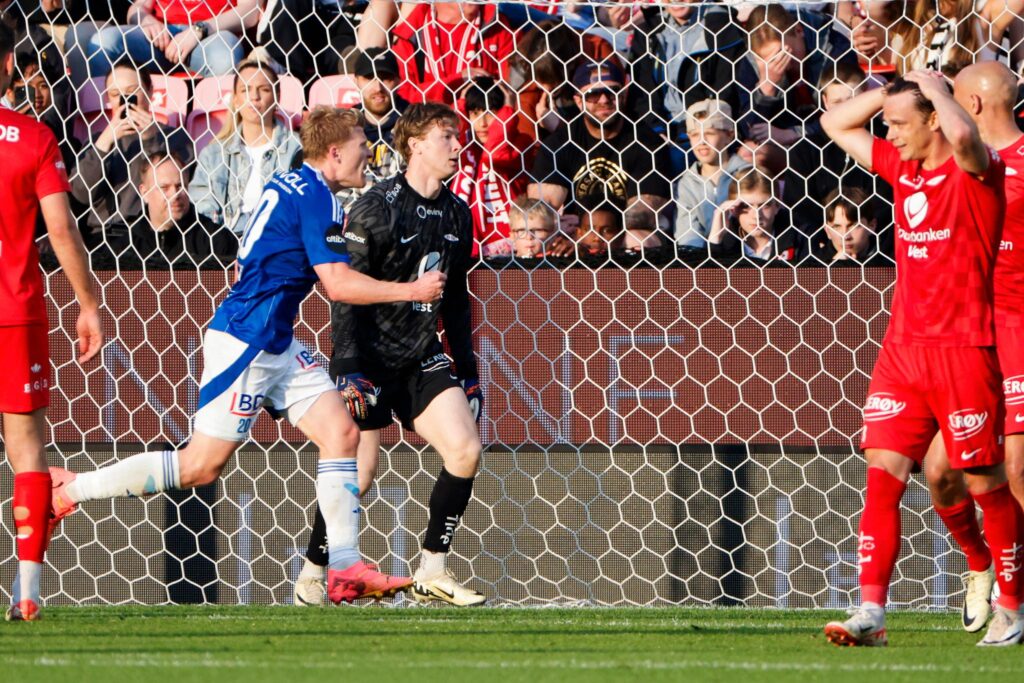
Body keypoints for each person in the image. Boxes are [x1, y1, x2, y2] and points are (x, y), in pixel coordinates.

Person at [47, 108, 447, 607]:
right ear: (336, 151)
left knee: (342, 432)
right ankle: (69, 490)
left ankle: (344, 568)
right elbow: (339, 285)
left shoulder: (297, 185)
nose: (370, 152)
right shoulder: (317, 198)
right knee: (199, 467)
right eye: (363, 144)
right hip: (248, 343)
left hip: (276, 339)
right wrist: (411, 289)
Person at [820, 71, 1024, 647]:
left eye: (900, 126)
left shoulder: (977, 173)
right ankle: (871, 613)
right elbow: (836, 122)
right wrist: (893, 92)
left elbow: (962, 137)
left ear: (935, 118)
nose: (890, 134)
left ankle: (1012, 606)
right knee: (883, 476)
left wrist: (937, 91)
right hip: (903, 351)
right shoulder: (900, 169)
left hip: (965, 350)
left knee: (985, 482)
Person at [294, 103, 486, 607]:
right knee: (358, 472)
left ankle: (432, 571)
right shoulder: (375, 207)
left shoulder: (457, 212)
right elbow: (344, 291)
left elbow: (459, 299)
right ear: (415, 144)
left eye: (457, 136)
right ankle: (314, 573)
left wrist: (467, 371)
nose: (455, 145)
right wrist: (349, 367)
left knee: (465, 450)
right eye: (446, 136)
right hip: (370, 358)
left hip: (422, 354)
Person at [913, 61, 1024, 640]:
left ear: (972, 108)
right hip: (968, 336)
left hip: (1019, 331)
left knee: (1016, 469)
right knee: (938, 472)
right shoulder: (954, 164)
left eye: (951, 98)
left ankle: (1015, 599)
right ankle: (980, 566)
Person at [0, 21, 104, 621]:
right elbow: (60, 230)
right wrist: (88, 303)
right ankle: (28, 592)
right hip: (16, 312)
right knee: (28, 450)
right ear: (11, 62)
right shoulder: (33, 137)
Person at [70, 58, 193, 242]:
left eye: (131, 92)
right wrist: (105, 142)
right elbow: (80, 193)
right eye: (114, 94)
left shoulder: (175, 138)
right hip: (101, 237)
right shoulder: (97, 140)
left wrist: (150, 139)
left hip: (150, 238)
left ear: (149, 91)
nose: (124, 101)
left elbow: (175, 190)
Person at [529, 61, 671, 214]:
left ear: (623, 94)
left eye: (612, 92)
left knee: (637, 237)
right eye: (593, 95)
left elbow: (644, 213)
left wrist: (593, 226)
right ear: (578, 101)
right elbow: (540, 210)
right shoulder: (559, 144)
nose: (604, 100)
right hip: (575, 233)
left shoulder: (647, 142)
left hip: (625, 232)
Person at [188, 60, 302, 234]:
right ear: (235, 98)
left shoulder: (298, 148)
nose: (254, 96)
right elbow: (201, 208)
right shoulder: (213, 154)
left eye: (263, 89)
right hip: (224, 242)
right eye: (245, 90)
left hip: (278, 240)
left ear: (277, 96)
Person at [99, 151, 238, 267]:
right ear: (144, 192)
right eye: (164, 188)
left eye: (179, 186)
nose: (175, 195)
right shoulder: (123, 247)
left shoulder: (217, 241)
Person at [674, 99, 750, 249]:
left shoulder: (748, 174)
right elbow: (687, 236)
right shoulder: (686, 183)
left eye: (709, 133)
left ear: (729, 135)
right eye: (695, 135)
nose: (702, 141)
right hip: (704, 262)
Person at [707, 168, 808, 265]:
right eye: (746, 206)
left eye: (765, 205)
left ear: (777, 205)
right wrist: (715, 240)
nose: (756, 215)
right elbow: (707, 280)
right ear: (732, 208)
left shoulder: (801, 237)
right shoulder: (723, 243)